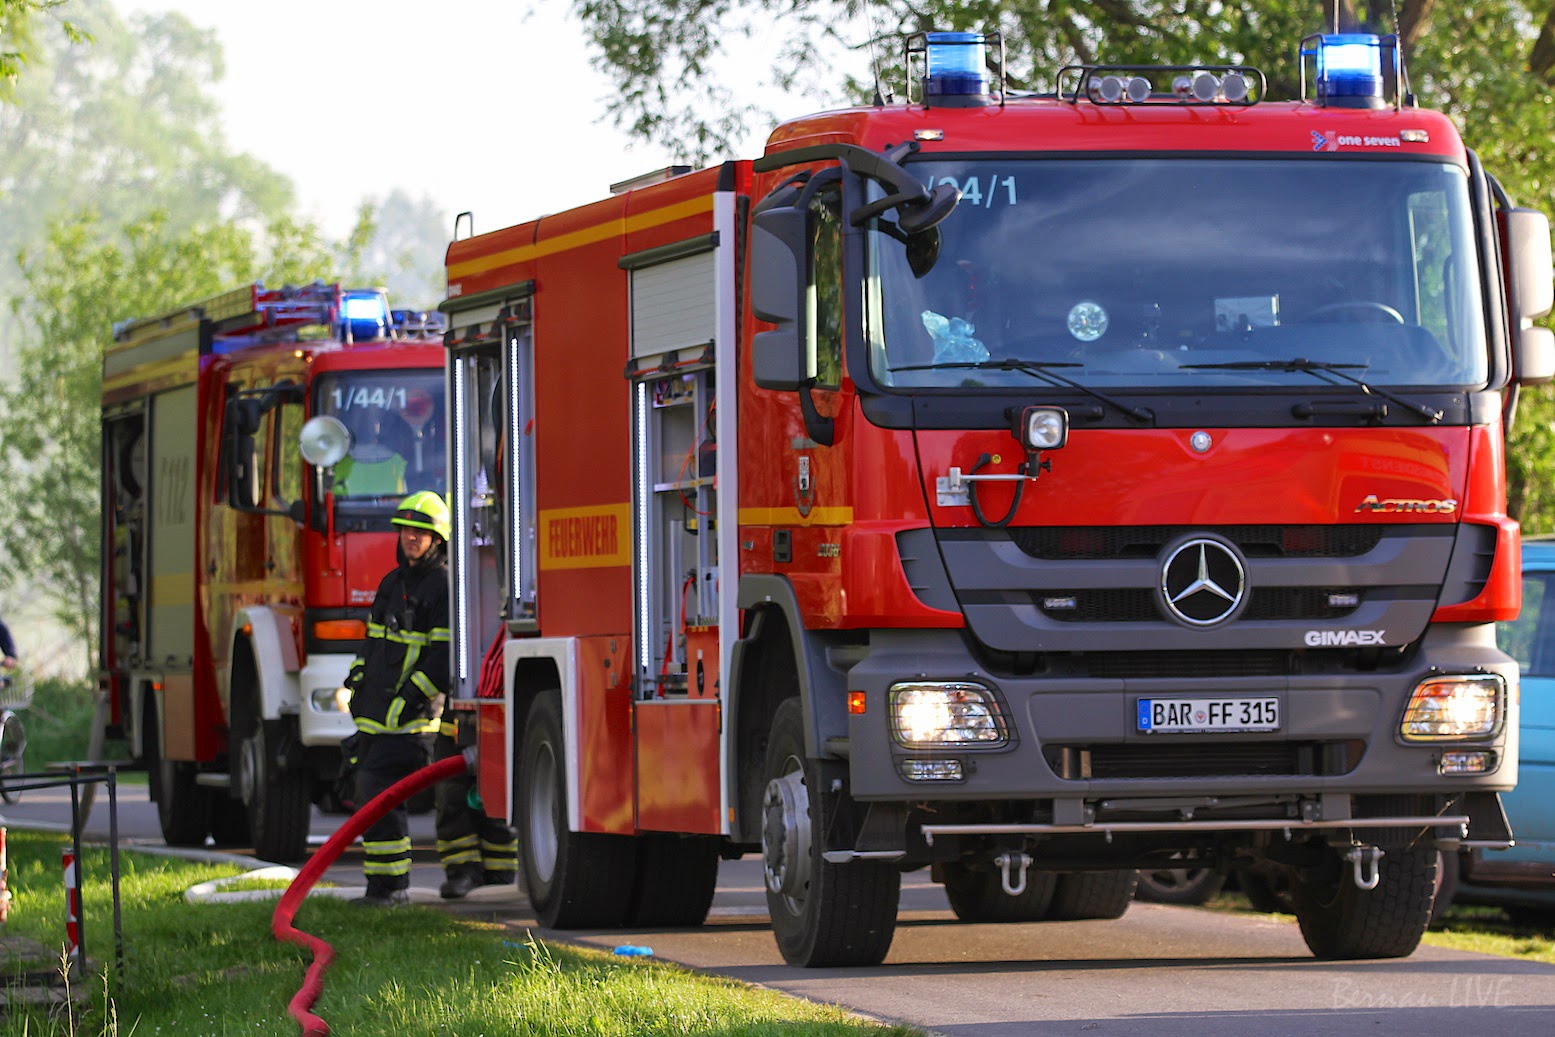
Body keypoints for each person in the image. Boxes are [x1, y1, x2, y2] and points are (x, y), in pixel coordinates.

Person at [344, 491, 452, 907]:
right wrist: (356, 683)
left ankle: (390, 889)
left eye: (420, 532)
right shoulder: (392, 584)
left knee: (380, 798)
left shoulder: (441, 587)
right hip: (376, 719)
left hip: (410, 722)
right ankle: (383, 888)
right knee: (371, 798)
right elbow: (372, 646)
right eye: (406, 530)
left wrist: (407, 701)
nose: (411, 537)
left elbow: (441, 661)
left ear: (437, 539)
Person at [433, 707, 518, 898]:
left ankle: (500, 875)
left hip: (499, 723)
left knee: (497, 805)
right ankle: (462, 873)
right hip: (455, 730)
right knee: (451, 801)